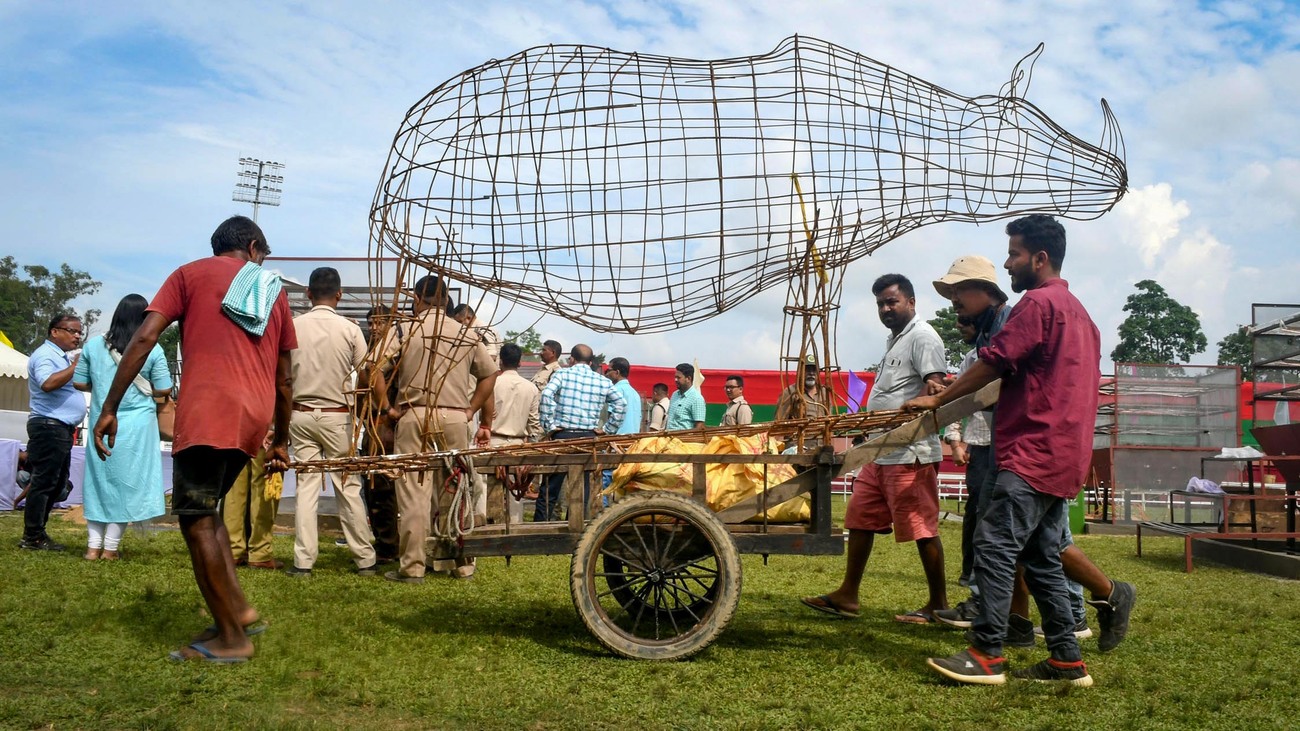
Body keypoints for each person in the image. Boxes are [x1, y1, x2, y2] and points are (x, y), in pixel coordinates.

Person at [909, 214, 1106, 686]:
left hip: (1032, 451)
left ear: (1039, 259)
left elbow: (995, 362)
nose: (1009, 263)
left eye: (1015, 254)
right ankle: (1066, 660)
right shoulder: (1083, 316)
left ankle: (987, 653)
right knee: (1039, 557)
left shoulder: (1035, 305)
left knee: (994, 545)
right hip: (1065, 454)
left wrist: (939, 397)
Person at [94, 215, 296, 663]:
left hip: (210, 410)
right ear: (253, 246)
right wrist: (280, 438)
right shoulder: (271, 290)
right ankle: (239, 611)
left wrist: (109, 407)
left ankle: (231, 639)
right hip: (252, 416)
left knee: (195, 520)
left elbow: (146, 336)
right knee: (209, 513)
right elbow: (285, 379)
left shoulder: (189, 274)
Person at [800, 273, 948, 624]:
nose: (885, 309)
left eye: (891, 302)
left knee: (921, 528)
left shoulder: (923, 337)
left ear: (911, 302)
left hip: (909, 453)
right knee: (860, 519)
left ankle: (938, 604)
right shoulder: (894, 340)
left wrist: (922, 400)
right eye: (880, 303)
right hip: (880, 451)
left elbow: (936, 385)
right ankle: (848, 595)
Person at [371, 275, 496, 583]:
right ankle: (462, 563)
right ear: (445, 299)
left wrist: (387, 408)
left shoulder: (406, 328)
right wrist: (470, 409)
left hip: (415, 415)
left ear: (417, 298)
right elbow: (490, 375)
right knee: (456, 489)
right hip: (455, 417)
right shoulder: (466, 333)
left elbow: (373, 368)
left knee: (414, 492)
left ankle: (413, 567)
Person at [285, 267, 376, 577]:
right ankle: (364, 559)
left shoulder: (293, 326)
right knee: (348, 487)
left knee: (306, 488)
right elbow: (366, 374)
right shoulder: (350, 330)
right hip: (339, 417)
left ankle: (303, 562)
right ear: (339, 294)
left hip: (300, 413)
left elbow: (282, 376)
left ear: (308, 294)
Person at [72, 294, 172, 560]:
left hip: (101, 421)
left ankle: (93, 547)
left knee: (98, 482)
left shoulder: (93, 346)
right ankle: (111, 549)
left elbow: (79, 382)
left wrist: (104, 387)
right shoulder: (153, 349)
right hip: (138, 426)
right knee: (127, 485)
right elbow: (163, 388)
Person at [20, 314, 87, 551]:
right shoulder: (45, 355)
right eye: (72, 331)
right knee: (45, 482)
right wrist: (75, 367)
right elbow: (47, 383)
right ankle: (32, 537)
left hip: (59, 428)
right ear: (54, 332)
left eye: (80, 332)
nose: (77, 336)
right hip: (48, 427)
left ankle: (37, 533)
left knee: (56, 483)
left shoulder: (60, 358)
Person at [537, 344, 628, 521]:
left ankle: (539, 529)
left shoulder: (562, 374)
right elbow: (621, 404)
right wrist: (608, 430)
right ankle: (575, 527)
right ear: (591, 361)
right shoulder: (602, 380)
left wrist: (550, 426)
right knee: (582, 486)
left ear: (571, 359)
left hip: (563, 436)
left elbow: (547, 395)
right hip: (588, 439)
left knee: (550, 486)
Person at [358, 306, 401, 562]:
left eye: (380, 322)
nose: (374, 327)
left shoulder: (391, 348)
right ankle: (386, 544)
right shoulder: (372, 347)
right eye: (371, 323)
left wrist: (385, 408)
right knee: (375, 487)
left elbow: (371, 373)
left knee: (381, 487)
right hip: (374, 423)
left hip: (384, 424)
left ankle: (388, 547)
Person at [485, 342, 541, 523]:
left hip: (492, 442)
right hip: (518, 444)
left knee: (485, 488)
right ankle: (515, 526)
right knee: (516, 490)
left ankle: (485, 526)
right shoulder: (531, 388)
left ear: (500, 361)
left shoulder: (492, 383)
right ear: (519, 363)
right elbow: (534, 423)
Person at [222, 442, 281, 569]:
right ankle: (261, 552)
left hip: (235, 433)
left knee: (234, 485)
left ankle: (233, 549)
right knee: (265, 480)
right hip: (264, 431)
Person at [774, 356, 833, 421]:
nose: (811, 373)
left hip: (821, 430)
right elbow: (779, 420)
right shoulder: (790, 392)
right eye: (807, 370)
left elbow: (829, 417)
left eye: (814, 370)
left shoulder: (824, 392)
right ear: (800, 371)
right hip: (799, 430)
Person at [604, 358, 642, 436]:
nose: (606, 374)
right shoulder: (635, 393)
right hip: (632, 441)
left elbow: (610, 417)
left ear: (617, 372)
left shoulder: (615, 391)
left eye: (608, 371)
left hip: (617, 441)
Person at [665, 363, 706, 430]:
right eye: (675, 377)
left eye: (678, 378)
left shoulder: (697, 398)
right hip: (668, 438)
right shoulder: (674, 395)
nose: (675, 380)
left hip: (684, 439)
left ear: (688, 379)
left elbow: (700, 426)